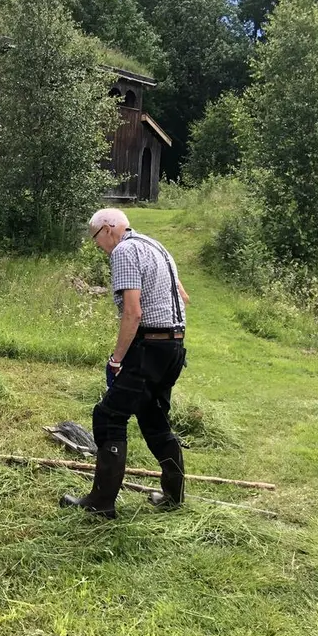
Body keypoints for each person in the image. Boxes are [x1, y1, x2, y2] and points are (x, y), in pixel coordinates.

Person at [61, 208, 190, 517]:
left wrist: (117, 358)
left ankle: (101, 503)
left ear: (108, 228)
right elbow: (183, 297)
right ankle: (174, 496)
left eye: (95, 238)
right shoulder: (155, 245)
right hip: (174, 346)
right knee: (153, 416)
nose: (97, 246)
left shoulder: (124, 251)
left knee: (108, 416)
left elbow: (133, 312)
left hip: (149, 347)